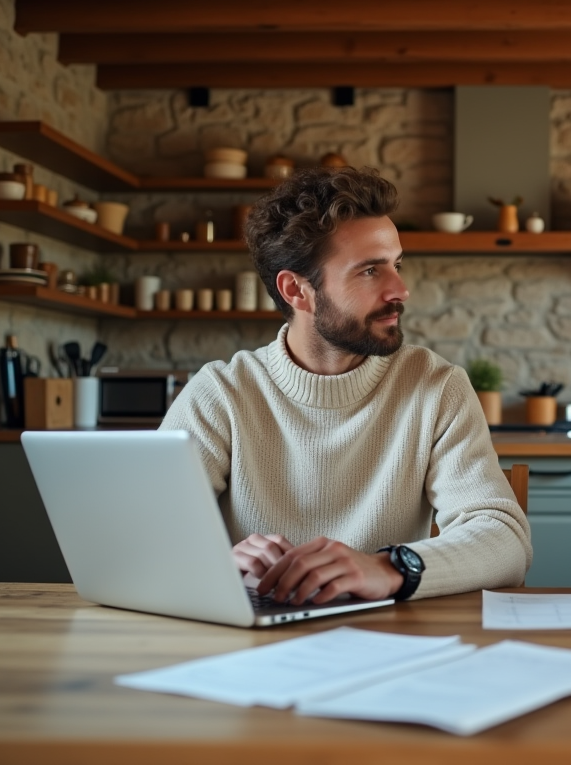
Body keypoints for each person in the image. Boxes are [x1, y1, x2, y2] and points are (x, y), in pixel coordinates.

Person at [161, 166, 531, 605]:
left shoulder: (434, 387)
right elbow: (137, 532)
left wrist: (390, 568)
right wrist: (216, 562)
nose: (400, 290)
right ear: (296, 290)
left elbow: (505, 540)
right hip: (251, 636)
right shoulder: (220, 393)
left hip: (389, 634)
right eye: (370, 271)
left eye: (396, 265)